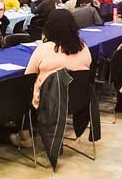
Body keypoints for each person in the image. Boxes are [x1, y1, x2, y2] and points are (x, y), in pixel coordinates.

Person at [13, 9, 93, 148]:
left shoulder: (44, 49)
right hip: (77, 101)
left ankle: (25, 134)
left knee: (19, 91)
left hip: (49, 103)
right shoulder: (84, 47)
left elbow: (28, 76)